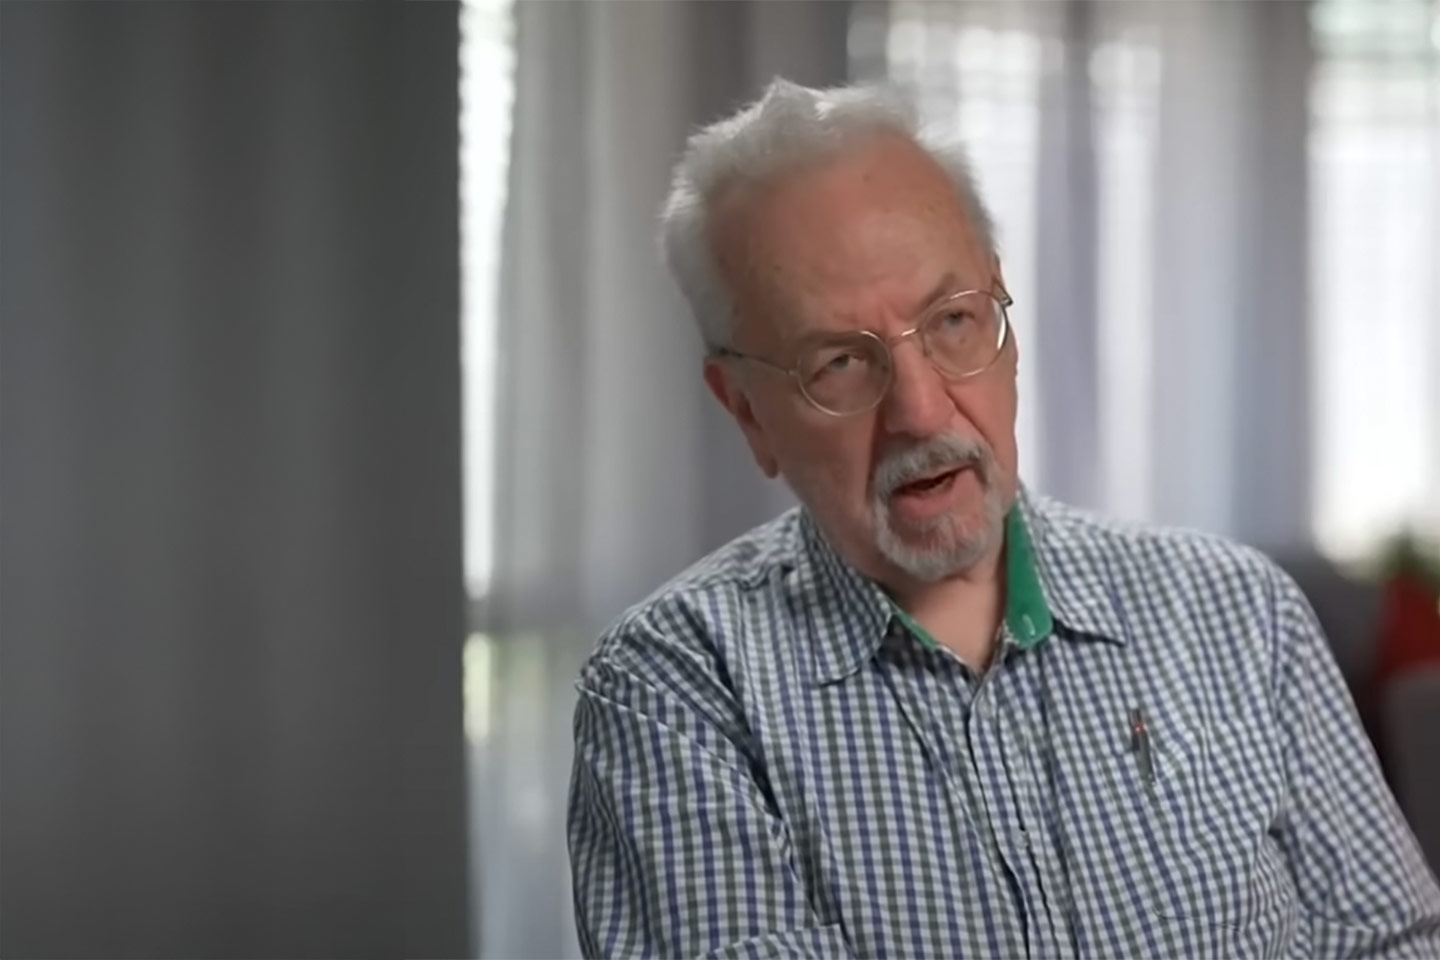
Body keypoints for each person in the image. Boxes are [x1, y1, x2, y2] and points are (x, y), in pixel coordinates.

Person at [565, 79, 1440, 959]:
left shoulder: (1241, 613)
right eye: (837, 362)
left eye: (952, 321)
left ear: (1006, 323)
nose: (920, 410)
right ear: (747, 411)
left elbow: (1394, 941)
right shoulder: (675, 691)